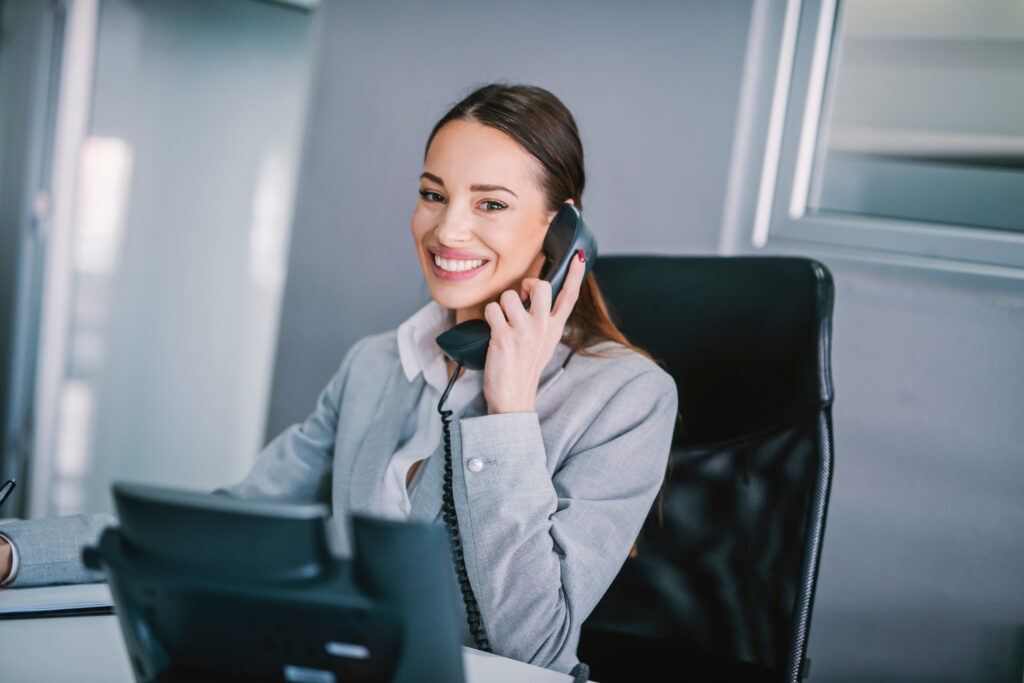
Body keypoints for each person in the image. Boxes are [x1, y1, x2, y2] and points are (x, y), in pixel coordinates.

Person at [0, 83, 677, 674]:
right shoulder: (376, 366)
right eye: (433, 194)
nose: (447, 229)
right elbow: (230, 529)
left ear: (562, 235)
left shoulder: (627, 398)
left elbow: (530, 644)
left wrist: (509, 413)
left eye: (491, 204)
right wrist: (14, 552)